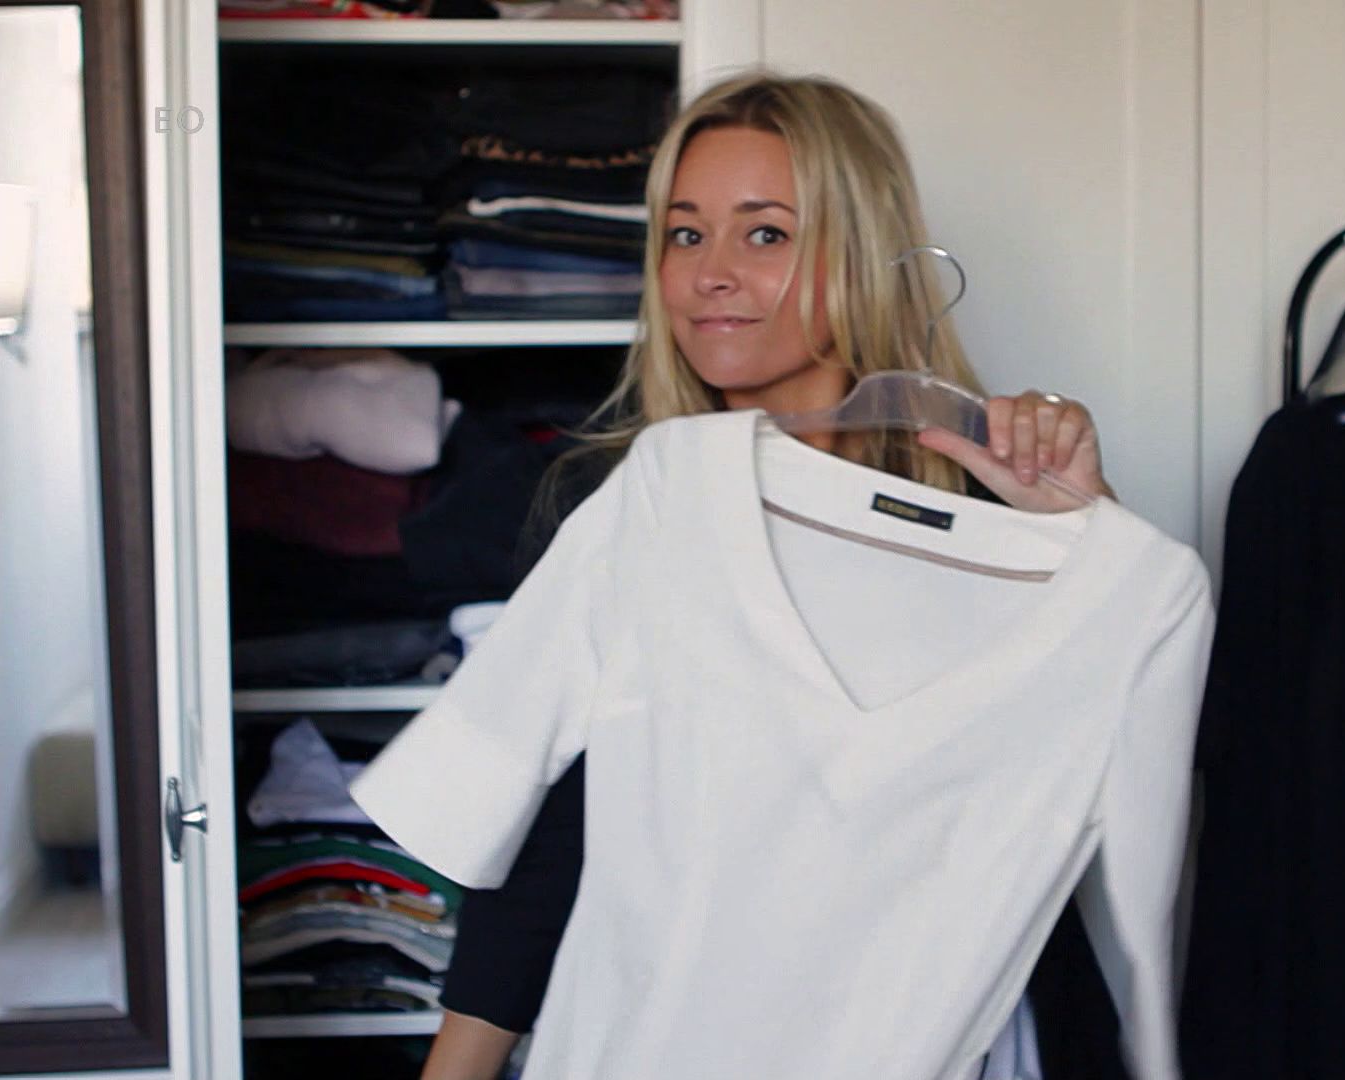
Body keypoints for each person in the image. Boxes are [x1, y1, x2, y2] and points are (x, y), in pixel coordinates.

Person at [413, 72, 1130, 1080]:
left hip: (950, 1038)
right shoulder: (621, 506)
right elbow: (551, 835)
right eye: (685, 233)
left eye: (765, 234)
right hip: (694, 1036)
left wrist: (1085, 530)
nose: (710, 273)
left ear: (862, 254)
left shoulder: (992, 505)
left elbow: (1139, 773)